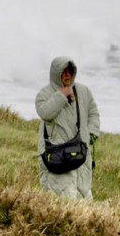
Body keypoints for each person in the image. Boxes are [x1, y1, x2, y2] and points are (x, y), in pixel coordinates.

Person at [35, 56, 100, 200]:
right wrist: (61, 95)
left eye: (70, 71)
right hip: (56, 154)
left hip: (81, 151)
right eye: (63, 72)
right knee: (60, 200)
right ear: (55, 73)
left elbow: (93, 113)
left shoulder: (83, 91)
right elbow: (45, 113)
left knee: (83, 198)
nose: (67, 75)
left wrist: (91, 134)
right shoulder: (44, 95)